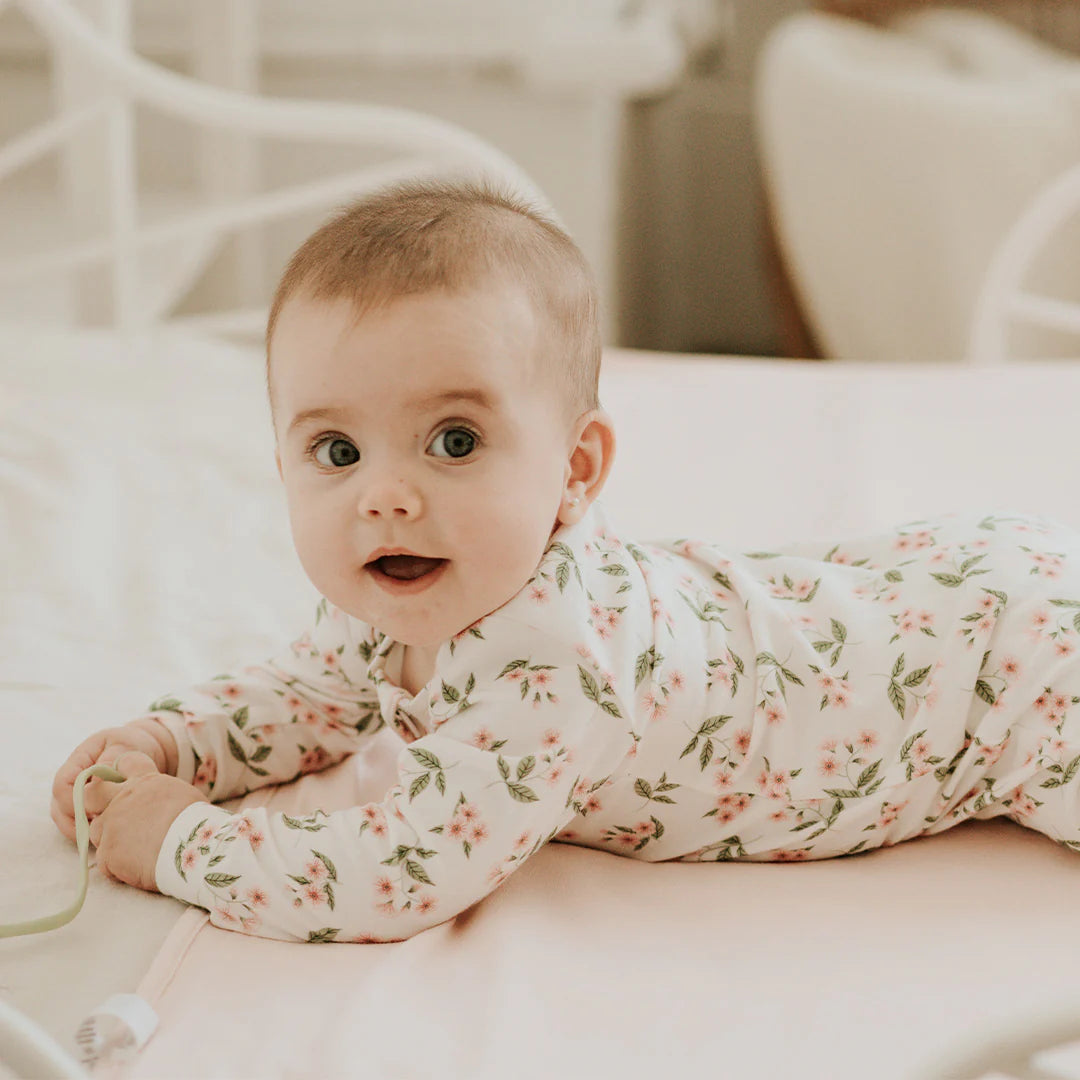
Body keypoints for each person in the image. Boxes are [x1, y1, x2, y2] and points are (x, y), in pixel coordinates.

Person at [51, 177, 1080, 944]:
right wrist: (176, 746)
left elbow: (389, 875)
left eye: (454, 441)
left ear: (576, 469)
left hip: (1005, 683)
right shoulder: (403, 583)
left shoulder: (553, 671)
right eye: (337, 451)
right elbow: (315, 694)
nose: (385, 493)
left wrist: (179, 842)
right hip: (940, 596)